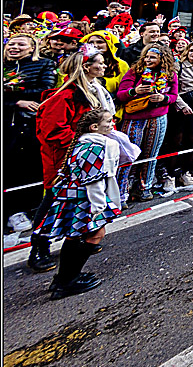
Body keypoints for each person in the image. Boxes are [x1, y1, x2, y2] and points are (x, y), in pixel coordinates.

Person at [31, 48, 116, 271]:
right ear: (86, 67)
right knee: (53, 199)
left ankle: (82, 235)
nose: (104, 66)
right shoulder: (64, 96)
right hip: (64, 159)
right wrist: (86, 142)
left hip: (86, 157)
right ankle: (38, 248)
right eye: (99, 63)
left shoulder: (96, 91)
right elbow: (53, 132)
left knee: (83, 196)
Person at [39, 108, 123, 299]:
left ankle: (64, 278)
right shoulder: (94, 146)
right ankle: (68, 280)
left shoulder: (86, 142)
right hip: (84, 198)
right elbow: (93, 179)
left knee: (75, 236)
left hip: (76, 196)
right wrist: (99, 206)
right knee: (94, 234)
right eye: (108, 121)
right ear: (94, 127)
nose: (112, 124)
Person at [3, 34, 57, 235]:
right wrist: (16, 101)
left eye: (21, 44)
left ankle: (23, 210)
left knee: (26, 167)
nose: (14, 47)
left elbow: (45, 90)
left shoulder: (44, 64)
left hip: (28, 124)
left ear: (32, 48)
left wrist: (12, 88)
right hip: (6, 122)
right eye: (11, 43)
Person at [116, 46, 179, 202]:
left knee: (151, 155)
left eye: (152, 57)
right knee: (129, 154)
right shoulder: (134, 72)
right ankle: (121, 191)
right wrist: (135, 91)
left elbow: (173, 95)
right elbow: (121, 94)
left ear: (162, 59)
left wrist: (163, 98)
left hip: (158, 117)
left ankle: (144, 187)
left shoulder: (170, 74)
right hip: (134, 117)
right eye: (146, 56)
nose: (147, 60)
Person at [166, 41, 193, 184]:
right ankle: (170, 174)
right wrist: (182, 105)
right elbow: (173, 88)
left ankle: (185, 172)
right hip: (180, 106)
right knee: (175, 140)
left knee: (191, 140)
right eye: (191, 50)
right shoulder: (179, 66)